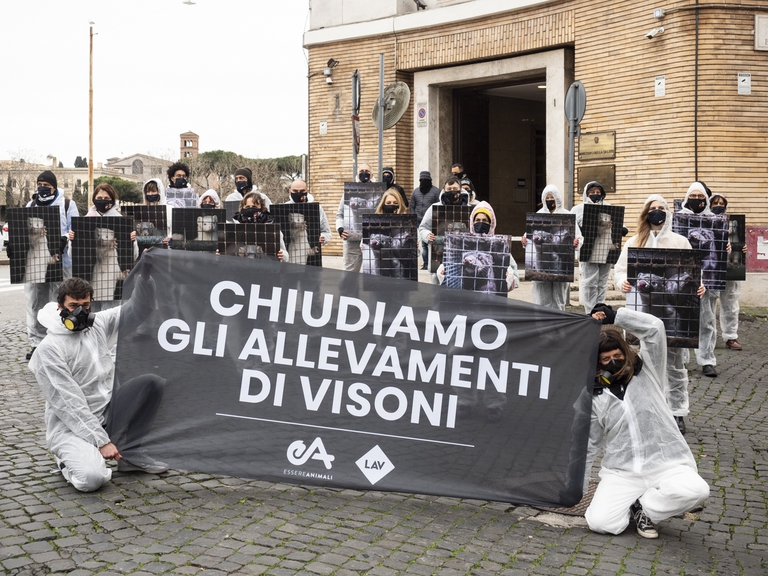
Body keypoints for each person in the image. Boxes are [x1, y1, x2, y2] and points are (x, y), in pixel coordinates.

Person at [29, 277, 168, 492]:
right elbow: (68, 404)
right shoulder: (49, 350)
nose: (80, 312)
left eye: (85, 305)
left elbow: (138, 308)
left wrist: (145, 275)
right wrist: (101, 442)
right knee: (92, 479)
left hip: (108, 413)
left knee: (151, 383)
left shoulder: (97, 325)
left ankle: (131, 456)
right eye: (73, 306)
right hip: (71, 428)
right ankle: (65, 460)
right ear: (60, 307)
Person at [583, 303, 710, 539]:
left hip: (666, 464)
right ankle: (631, 501)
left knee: (697, 490)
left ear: (626, 353)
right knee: (601, 523)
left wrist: (616, 316)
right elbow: (589, 444)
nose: (613, 362)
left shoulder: (648, 370)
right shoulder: (595, 395)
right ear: (597, 363)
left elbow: (654, 328)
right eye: (606, 359)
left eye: (618, 356)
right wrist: (576, 489)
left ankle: (646, 509)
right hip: (622, 471)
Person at [613, 194, 706, 434]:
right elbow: (620, 270)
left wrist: (699, 285)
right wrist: (622, 281)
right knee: (639, 362)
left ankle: (677, 411)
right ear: (646, 213)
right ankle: (645, 408)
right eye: (653, 208)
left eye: (661, 208)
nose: (657, 212)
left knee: (674, 364)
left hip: (671, 313)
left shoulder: (680, 242)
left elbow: (694, 271)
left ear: (667, 212)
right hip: (642, 313)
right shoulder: (634, 242)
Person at [22, 170, 79, 360]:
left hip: (62, 261)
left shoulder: (67, 204)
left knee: (60, 301)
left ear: (54, 186)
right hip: (36, 261)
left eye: (46, 185)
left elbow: (76, 229)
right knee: (36, 302)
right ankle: (37, 343)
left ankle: (59, 341)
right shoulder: (31, 204)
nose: (42, 188)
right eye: (40, 184)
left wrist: (66, 240)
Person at [679, 182, 719, 377]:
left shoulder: (715, 220)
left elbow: (719, 246)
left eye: (700, 196)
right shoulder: (677, 219)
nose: (697, 200)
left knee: (707, 320)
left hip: (708, 275)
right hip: (684, 275)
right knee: (683, 318)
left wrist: (726, 248)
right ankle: (682, 360)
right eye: (693, 196)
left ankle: (707, 360)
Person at [436, 201, 519, 292]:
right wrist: (443, 274)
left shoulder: (500, 248)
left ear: (491, 223)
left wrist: (509, 279)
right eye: (477, 220)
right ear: (472, 222)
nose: (481, 223)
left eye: (484, 220)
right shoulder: (463, 243)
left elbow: (514, 278)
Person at [522, 185, 582, 310]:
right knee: (541, 298)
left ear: (558, 198)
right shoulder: (538, 215)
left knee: (559, 297)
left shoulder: (567, 216)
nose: (550, 200)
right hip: (541, 263)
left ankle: (558, 323)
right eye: (547, 197)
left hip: (559, 262)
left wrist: (576, 243)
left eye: (552, 197)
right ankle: (542, 324)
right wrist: (524, 241)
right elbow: (528, 238)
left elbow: (578, 237)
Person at [709, 192, 745, 351]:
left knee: (730, 304)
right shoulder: (704, 223)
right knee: (707, 306)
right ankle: (707, 339)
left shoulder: (733, 224)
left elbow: (737, 243)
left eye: (721, 204)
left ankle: (731, 337)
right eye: (715, 203)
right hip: (710, 270)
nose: (718, 206)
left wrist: (741, 248)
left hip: (729, 271)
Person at [418, 176, 470, 283]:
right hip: (439, 257)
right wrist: (428, 235)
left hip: (464, 258)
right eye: (449, 189)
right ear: (444, 191)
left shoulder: (470, 209)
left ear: (460, 189)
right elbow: (423, 227)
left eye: (455, 188)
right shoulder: (434, 208)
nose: (452, 191)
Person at [572, 181, 613, 314]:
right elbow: (573, 229)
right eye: (592, 192)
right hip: (588, 249)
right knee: (590, 282)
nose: (595, 194)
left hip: (605, 248)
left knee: (602, 282)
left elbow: (617, 223)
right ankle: (590, 311)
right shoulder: (577, 209)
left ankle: (600, 309)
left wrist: (620, 229)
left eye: (598, 192)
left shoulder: (609, 207)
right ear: (586, 193)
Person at [335, 163, 376, 272]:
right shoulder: (349, 192)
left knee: (373, 274)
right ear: (357, 175)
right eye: (361, 171)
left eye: (367, 171)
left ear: (372, 175)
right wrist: (340, 229)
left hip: (372, 240)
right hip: (352, 242)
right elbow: (340, 214)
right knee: (349, 274)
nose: (364, 173)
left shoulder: (378, 193)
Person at [233, 192, 287, 261]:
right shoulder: (234, 229)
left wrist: (282, 255)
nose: (250, 210)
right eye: (247, 207)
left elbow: (285, 255)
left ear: (262, 209)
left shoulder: (272, 230)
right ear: (242, 209)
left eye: (254, 207)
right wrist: (219, 255)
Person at [285, 179, 332, 246]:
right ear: (290, 191)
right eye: (295, 191)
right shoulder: (284, 208)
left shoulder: (317, 208)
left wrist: (323, 237)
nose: (298, 193)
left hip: (311, 249)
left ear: (307, 191)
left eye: (302, 191)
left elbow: (327, 232)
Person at [410, 171, 440, 270]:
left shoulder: (436, 192)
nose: (424, 182)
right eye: (422, 180)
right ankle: (426, 264)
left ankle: (432, 263)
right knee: (423, 244)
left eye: (426, 180)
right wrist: (413, 218)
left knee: (431, 244)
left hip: (431, 222)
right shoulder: (415, 192)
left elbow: (438, 207)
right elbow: (412, 206)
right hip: (418, 220)